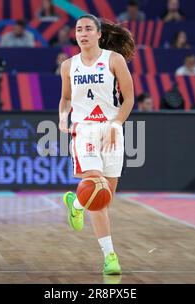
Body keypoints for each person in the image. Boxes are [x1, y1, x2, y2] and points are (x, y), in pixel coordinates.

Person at [58, 14, 135, 275]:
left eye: (89, 29)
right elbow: (66, 99)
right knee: (97, 190)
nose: (83, 33)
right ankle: (110, 256)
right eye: (79, 29)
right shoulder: (68, 65)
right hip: (84, 131)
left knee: (103, 197)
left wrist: (115, 125)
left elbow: (129, 99)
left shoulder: (114, 60)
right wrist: (61, 117)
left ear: (99, 34)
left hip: (111, 130)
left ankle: (76, 205)